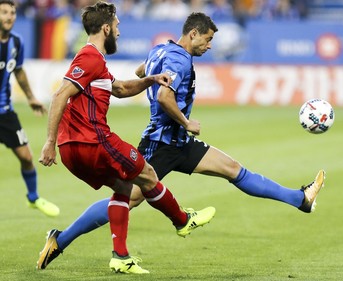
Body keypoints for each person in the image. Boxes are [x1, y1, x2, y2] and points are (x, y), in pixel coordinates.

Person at [37, 11, 325, 271]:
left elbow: (141, 72)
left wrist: (151, 77)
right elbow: (164, 97)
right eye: (207, 40)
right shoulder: (179, 59)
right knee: (126, 198)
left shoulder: (160, 49)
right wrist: (186, 121)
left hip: (178, 142)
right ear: (193, 34)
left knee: (234, 169)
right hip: (160, 142)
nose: (209, 46)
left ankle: (300, 199)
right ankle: (61, 239)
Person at [37, 2, 215, 274]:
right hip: (93, 141)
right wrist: (48, 141)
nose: (119, 31)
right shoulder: (89, 57)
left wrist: (150, 79)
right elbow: (60, 94)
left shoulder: (97, 63)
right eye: (117, 26)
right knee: (148, 174)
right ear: (106, 28)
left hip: (71, 150)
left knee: (123, 188)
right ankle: (182, 220)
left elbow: (118, 89)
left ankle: (119, 256)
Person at [0, 0, 59, 217]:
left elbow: (19, 71)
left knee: (26, 157)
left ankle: (33, 198)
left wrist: (31, 97)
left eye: (12, 13)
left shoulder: (16, 42)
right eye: (4, 12)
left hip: (5, 113)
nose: (9, 17)